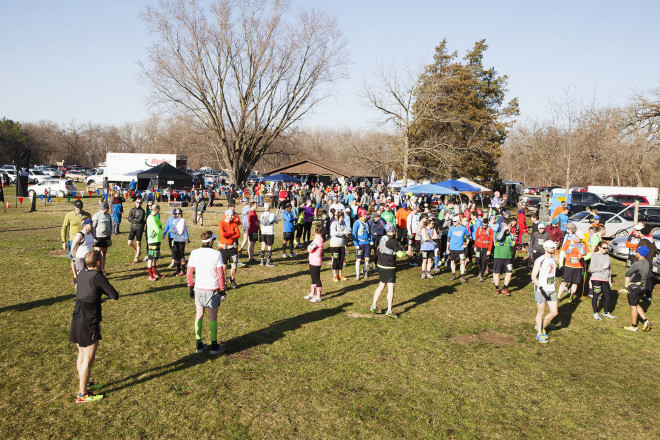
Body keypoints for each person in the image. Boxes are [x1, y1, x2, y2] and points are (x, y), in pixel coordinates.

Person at [69, 250, 119, 402]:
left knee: (82, 354)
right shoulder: (98, 277)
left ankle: (85, 384)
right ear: (98, 262)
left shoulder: (82, 273)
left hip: (77, 319)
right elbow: (114, 295)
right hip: (89, 322)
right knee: (88, 360)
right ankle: (82, 395)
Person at [186, 231, 226, 355]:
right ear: (210, 241)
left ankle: (199, 343)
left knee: (199, 314)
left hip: (199, 288)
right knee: (213, 317)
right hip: (212, 289)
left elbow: (189, 273)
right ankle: (214, 346)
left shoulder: (194, 253)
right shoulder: (216, 254)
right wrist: (223, 289)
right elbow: (220, 274)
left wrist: (191, 287)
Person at [371, 223, 409, 318]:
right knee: (391, 287)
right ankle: (389, 310)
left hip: (381, 264)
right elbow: (399, 254)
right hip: (389, 266)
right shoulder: (393, 241)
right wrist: (406, 254)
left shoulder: (383, 238)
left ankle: (374, 305)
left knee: (381, 285)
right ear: (393, 231)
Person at [531, 241, 559, 343]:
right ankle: (539, 333)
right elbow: (533, 276)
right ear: (545, 248)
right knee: (541, 311)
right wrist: (541, 288)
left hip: (551, 289)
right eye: (551, 247)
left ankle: (541, 326)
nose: (553, 249)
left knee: (554, 312)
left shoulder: (554, 259)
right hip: (541, 290)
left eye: (554, 247)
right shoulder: (540, 260)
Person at [61, 200, 92, 284]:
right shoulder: (69, 215)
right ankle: (75, 276)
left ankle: (86, 274)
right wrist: (63, 241)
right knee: (74, 258)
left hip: (84, 239)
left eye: (81, 207)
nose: (79, 209)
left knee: (85, 257)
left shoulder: (87, 215)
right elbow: (64, 228)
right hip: (73, 239)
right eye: (78, 208)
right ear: (74, 207)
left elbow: (90, 226)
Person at [623, 246, 653, 332]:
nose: (635, 253)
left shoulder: (637, 264)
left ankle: (634, 326)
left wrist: (632, 265)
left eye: (637, 251)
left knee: (632, 307)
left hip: (634, 288)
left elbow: (627, 273)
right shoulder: (646, 262)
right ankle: (645, 321)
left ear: (639, 253)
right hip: (642, 287)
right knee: (636, 303)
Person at [557, 232, 587, 302]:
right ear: (575, 236)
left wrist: (585, 258)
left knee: (575, 283)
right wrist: (560, 264)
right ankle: (558, 296)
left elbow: (589, 254)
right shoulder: (568, 242)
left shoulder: (583, 244)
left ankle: (571, 296)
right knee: (564, 282)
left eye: (581, 238)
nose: (580, 239)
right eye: (580, 238)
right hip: (568, 266)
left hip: (579, 267)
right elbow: (562, 253)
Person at [590, 240, 616, 321]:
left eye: (606, 248)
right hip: (596, 278)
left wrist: (609, 280)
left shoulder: (607, 256)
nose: (605, 250)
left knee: (608, 296)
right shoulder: (595, 255)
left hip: (605, 279)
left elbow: (609, 269)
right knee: (596, 295)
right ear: (599, 247)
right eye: (604, 248)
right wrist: (602, 268)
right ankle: (595, 312)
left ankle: (606, 312)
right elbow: (592, 269)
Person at [218, 208, 241, 289]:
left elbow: (238, 234)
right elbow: (222, 234)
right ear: (226, 215)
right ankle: (223, 282)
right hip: (223, 249)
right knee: (224, 267)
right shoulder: (221, 223)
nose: (232, 217)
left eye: (233, 215)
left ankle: (232, 279)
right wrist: (232, 233)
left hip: (232, 249)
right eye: (231, 215)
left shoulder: (234, 224)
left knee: (234, 266)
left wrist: (231, 237)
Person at [493, 221, 516, 296]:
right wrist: (503, 230)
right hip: (498, 257)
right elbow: (499, 238)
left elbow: (513, 244)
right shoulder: (497, 234)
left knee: (509, 273)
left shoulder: (510, 236)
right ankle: (497, 288)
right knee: (497, 273)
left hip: (508, 257)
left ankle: (505, 288)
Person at [305, 223, 325, 303]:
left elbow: (310, 249)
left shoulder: (318, 240)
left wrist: (308, 247)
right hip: (313, 261)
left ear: (316, 230)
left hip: (315, 262)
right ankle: (312, 293)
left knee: (317, 279)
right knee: (313, 278)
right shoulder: (317, 238)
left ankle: (318, 296)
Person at [446, 216, 470, 283]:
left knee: (462, 261)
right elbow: (448, 239)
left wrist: (466, 244)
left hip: (461, 249)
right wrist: (447, 248)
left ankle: (462, 276)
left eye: (455, 221)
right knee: (452, 261)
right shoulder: (451, 229)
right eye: (453, 221)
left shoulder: (463, 228)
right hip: (452, 248)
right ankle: (453, 274)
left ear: (458, 221)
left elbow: (468, 237)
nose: (453, 222)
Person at [330, 209, 351, 281]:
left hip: (342, 244)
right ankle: (334, 275)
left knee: (342, 259)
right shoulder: (334, 223)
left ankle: (340, 274)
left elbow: (345, 231)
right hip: (335, 245)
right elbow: (334, 233)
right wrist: (343, 233)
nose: (343, 218)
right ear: (339, 216)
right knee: (335, 260)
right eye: (342, 217)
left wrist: (347, 233)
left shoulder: (343, 223)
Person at [92, 202, 112, 273]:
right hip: (98, 236)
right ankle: (96, 269)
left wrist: (110, 233)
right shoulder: (96, 216)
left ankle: (102, 268)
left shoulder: (108, 215)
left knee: (104, 254)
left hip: (106, 237)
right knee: (97, 254)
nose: (108, 209)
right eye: (107, 208)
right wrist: (94, 237)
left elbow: (110, 224)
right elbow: (93, 227)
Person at [146, 204, 164, 281]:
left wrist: (160, 227)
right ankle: (149, 274)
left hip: (157, 240)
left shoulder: (155, 217)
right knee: (150, 258)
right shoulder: (151, 218)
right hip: (152, 241)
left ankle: (155, 272)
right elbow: (157, 229)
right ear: (156, 209)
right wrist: (159, 227)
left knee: (155, 258)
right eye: (159, 209)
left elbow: (161, 226)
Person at [259, 203, 279, 267]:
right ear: (269, 208)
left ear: (264, 208)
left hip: (263, 232)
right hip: (270, 232)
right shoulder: (272, 215)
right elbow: (277, 221)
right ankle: (268, 261)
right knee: (269, 246)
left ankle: (262, 261)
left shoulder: (261, 215)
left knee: (263, 245)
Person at [127, 197, 146, 263]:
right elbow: (129, 218)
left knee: (138, 242)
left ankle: (136, 256)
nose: (138, 204)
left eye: (140, 202)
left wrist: (133, 220)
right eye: (137, 202)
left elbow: (140, 220)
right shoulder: (132, 209)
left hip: (139, 228)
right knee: (129, 243)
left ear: (141, 203)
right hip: (133, 227)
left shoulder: (142, 211)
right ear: (135, 202)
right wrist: (133, 220)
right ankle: (136, 251)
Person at [171, 208, 188, 276]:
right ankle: (178, 269)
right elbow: (172, 230)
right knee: (176, 255)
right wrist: (176, 231)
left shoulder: (183, 221)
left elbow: (180, 232)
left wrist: (176, 231)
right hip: (175, 240)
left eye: (179, 214)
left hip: (181, 240)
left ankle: (183, 270)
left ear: (181, 214)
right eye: (176, 214)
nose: (177, 215)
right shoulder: (175, 221)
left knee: (181, 255)